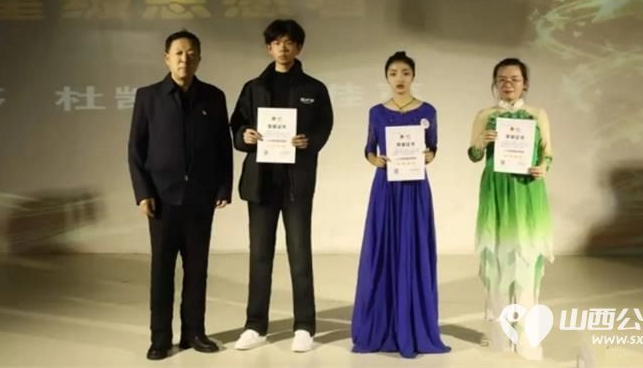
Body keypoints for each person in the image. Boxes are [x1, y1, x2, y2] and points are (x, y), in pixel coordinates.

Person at [128, 29, 233, 360]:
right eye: (178, 53)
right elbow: (135, 149)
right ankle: (160, 338)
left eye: (190, 53)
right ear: (166, 58)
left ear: (199, 59)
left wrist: (223, 187)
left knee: (197, 270)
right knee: (162, 271)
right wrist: (143, 192)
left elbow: (223, 146)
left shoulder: (213, 97)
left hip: (201, 198)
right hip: (161, 199)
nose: (184, 59)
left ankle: (194, 333)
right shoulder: (148, 97)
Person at [230, 19, 333, 352]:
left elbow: (325, 125)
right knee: (259, 256)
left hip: (296, 184)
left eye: (289, 42)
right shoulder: (253, 87)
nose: (283, 48)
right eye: (277, 43)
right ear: (268, 48)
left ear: (299, 47)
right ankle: (255, 326)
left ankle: (304, 326)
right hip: (261, 183)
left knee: (300, 254)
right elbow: (237, 126)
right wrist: (244, 136)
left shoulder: (314, 89)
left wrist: (309, 141)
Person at [351, 51, 450, 359]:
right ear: (386, 77)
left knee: (414, 248)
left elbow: (433, 148)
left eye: (405, 72)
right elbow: (369, 149)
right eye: (393, 73)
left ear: (413, 76)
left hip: (415, 187)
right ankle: (383, 323)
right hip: (386, 188)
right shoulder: (376, 112)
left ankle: (414, 323)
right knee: (384, 248)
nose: (399, 78)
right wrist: (375, 160)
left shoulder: (428, 111)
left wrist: (428, 156)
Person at [468, 57, 553, 360]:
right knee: (498, 264)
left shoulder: (537, 114)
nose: (508, 84)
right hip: (496, 193)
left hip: (527, 191)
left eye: (514, 79)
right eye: (502, 79)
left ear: (524, 84)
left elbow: (547, 153)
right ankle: (501, 339)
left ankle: (528, 340)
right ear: (495, 83)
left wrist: (543, 167)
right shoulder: (485, 115)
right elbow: (474, 154)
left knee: (526, 264)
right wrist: (482, 141)